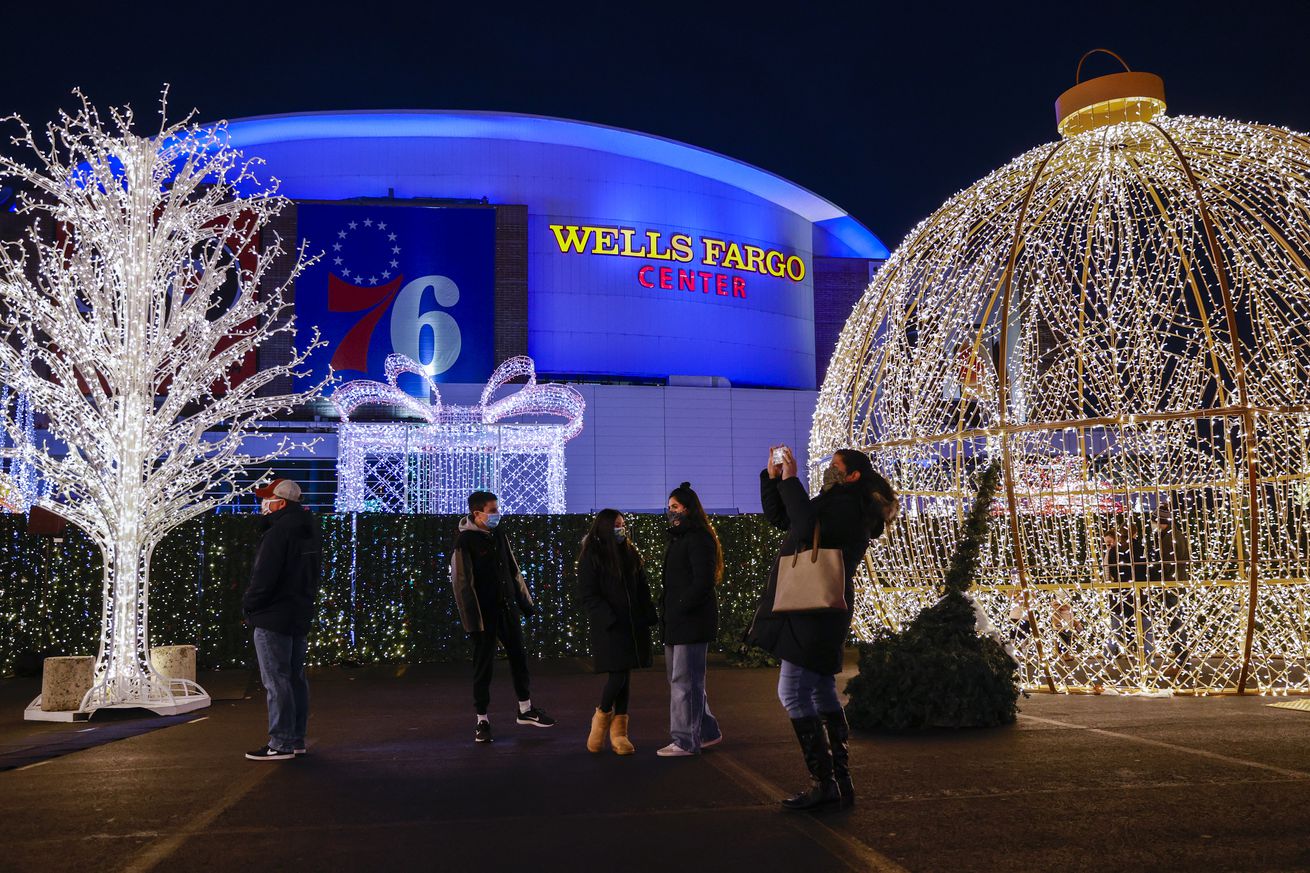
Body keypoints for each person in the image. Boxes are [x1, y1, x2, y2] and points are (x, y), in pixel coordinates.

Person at [748, 446, 897, 811]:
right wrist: (774, 479)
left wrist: (793, 479)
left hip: (814, 609)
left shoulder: (848, 504)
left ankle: (824, 781)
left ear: (853, 475)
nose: (829, 471)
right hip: (819, 608)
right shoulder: (839, 499)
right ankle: (839, 780)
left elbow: (804, 526)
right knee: (820, 691)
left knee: (793, 693)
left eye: (835, 467)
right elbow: (783, 518)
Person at [451, 490, 555, 743]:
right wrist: (472, 621)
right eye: (493, 510)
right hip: (483, 616)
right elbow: (462, 584)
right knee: (483, 666)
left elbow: (512, 569)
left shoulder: (499, 535)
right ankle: (482, 720)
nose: (497, 514)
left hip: (506, 608)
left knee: (518, 656)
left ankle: (525, 709)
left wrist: (525, 604)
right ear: (478, 513)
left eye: (497, 509)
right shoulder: (464, 542)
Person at [242, 478, 322, 761]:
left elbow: (264, 576)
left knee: (276, 680)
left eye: (267, 499)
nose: (263, 504)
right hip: (298, 613)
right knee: (294, 678)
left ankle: (281, 742)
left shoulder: (277, 532)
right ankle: (295, 738)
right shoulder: (308, 530)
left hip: (272, 615)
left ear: (280, 502)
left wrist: (250, 606)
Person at [577, 509, 657, 755]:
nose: (621, 529)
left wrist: (647, 613)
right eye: (616, 525)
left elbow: (641, 585)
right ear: (604, 528)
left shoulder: (629, 552)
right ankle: (601, 721)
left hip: (632, 625)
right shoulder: (592, 556)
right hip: (611, 627)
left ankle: (619, 733)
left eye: (623, 524)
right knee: (618, 675)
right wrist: (609, 618)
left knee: (625, 676)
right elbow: (588, 594)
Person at [657, 482, 724, 757]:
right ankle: (706, 731)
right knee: (686, 681)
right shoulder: (681, 538)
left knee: (686, 682)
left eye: (675, 507)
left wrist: (681, 607)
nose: (670, 511)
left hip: (691, 622)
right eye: (670, 506)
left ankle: (685, 740)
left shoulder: (697, 538)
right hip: (679, 620)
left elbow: (703, 582)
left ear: (688, 508)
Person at [1148, 504, 1190, 677]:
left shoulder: (1168, 538)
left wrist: (1157, 579)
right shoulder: (1177, 535)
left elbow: (1167, 565)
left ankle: (1182, 664)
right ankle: (1181, 663)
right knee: (1176, 624)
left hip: (1171, 585)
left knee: (1175, 625)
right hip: (1178, 583)